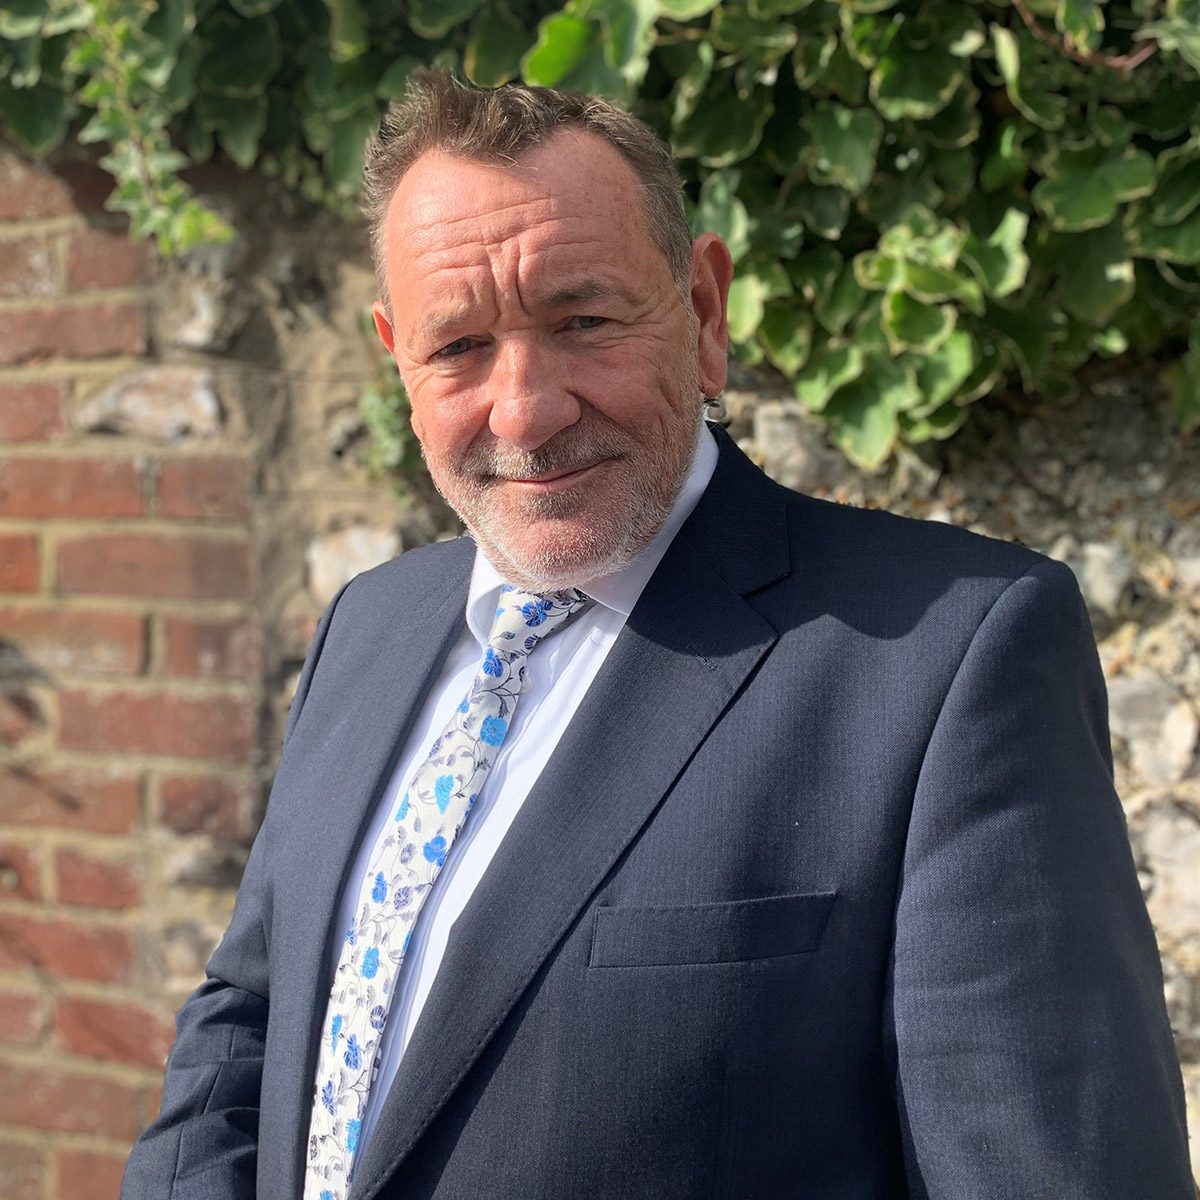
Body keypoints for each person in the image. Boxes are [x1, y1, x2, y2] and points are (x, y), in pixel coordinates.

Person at [121, 71, 1194, 1200]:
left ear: (705, 311)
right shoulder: (368, 627)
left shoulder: (947, 658)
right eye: (459, 346)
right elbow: (250, 1018)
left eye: (583, 321)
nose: (525, 409)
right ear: (398, 355)